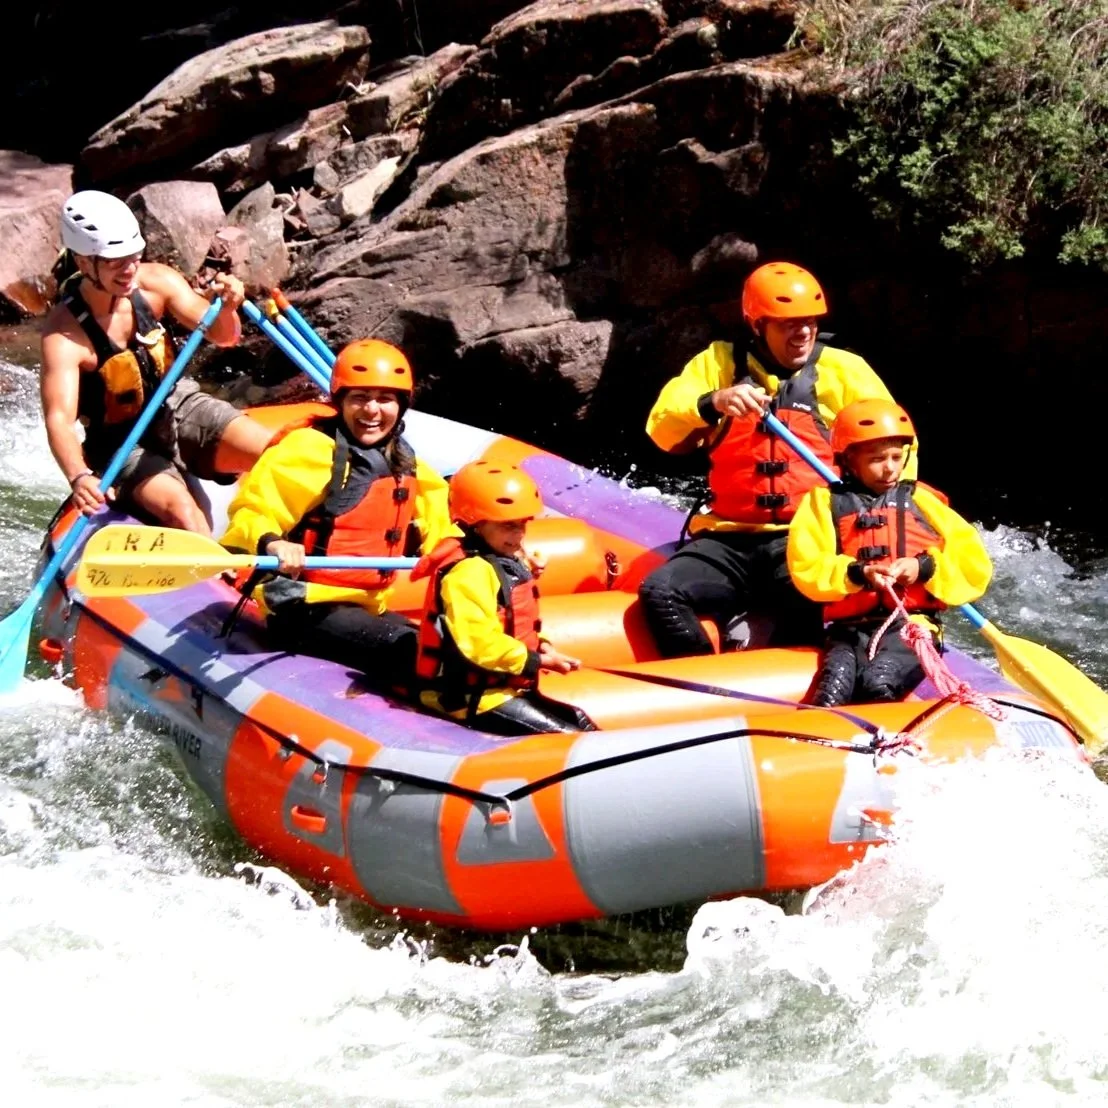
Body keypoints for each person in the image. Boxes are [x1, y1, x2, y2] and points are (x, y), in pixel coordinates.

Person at [638, 261, 916, 657]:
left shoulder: (844, 371)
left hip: (808, 540)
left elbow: (900, 449)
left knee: (805, 613)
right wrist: (713, 402)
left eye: (809, 321)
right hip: (729, 537)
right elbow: (661, 427)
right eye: (788, 323)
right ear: (757, 325)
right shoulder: (717, 363)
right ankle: (702, 680)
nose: (802, 332)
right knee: (661, 593)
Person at [219, 338, 459, 688]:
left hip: (366, 608)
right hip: (301, 607)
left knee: (456, 651)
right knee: (419, 655)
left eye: (385, 399)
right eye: (360, 398)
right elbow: (252, 511)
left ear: (402, 405)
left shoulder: (405, 461)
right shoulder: (310, 450)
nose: (372, 411)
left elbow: (444, 530)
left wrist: (495, 556)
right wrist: (273, 544)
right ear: (341, 401)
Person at [40, 189, 273, 534]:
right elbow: (59, 419)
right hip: (122, 442)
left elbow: (224, 336)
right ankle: (219, 581)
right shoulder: (63, 335)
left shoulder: (156, 283)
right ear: (84, 261)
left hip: (179, 404)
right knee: (185, 514)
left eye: (134, 256)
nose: (130, 269)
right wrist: (78, 475)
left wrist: (226, 307)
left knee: (275, 454)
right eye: (116, 262)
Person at [787, 399, 992, 705]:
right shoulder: (823, 503)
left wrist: (923, 567)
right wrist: (858, 573)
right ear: (849, 460)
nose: (890, 468)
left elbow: (974, 564)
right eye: (876, 459)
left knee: (877, 682)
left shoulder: (923, 501)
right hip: (848, 631)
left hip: (911, 626)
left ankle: (890, 746)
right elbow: (807, 565)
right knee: (832, 691)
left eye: (897, 457)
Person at [411, 460, 598, 735]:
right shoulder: (468, 572)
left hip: (504, 686)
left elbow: (512, 623)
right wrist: (536, 661)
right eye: (508, 526)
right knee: (571, 739)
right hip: (471, 697)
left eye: (523, 524)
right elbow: (477, 643)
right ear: (475, 523)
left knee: (582, 721)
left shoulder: (500, 561)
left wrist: (542, 647)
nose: (519, 535)